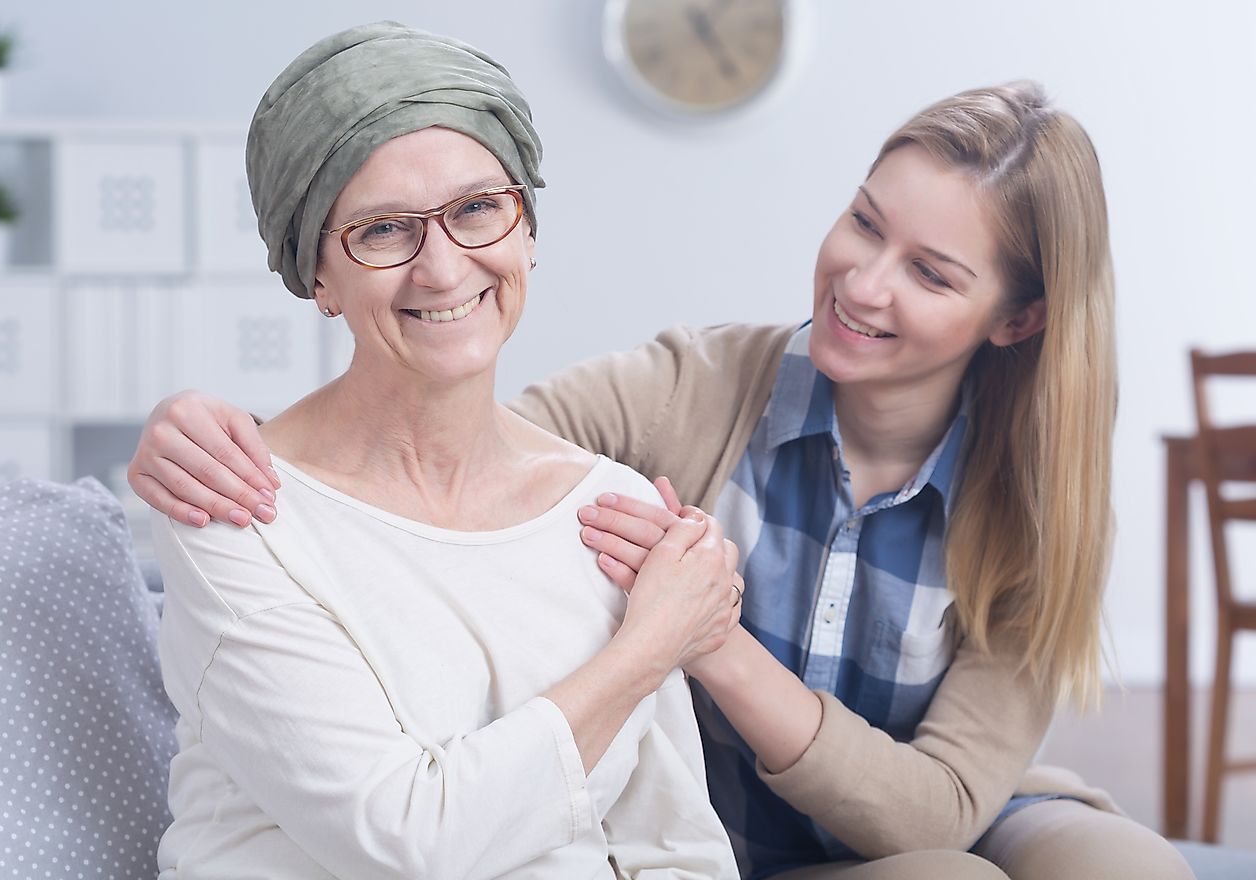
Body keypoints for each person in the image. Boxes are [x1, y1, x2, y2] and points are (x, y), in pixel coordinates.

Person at [132, 78, 1196, 879]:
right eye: (867, 221)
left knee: (1131, 869)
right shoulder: (691, 386)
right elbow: (444, 466)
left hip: (938, 812)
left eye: (931, 271)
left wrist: (710, 639)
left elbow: (936, 811)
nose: (864, 282)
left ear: (1016, 319)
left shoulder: (1037, 506)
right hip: (720, 823)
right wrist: (225, 436)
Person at [147, 21, 743, 880]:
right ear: (317, 275)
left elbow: (675, 845)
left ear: (527, 229)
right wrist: (651, 645)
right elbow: (407, 842)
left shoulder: (610, 511)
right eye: (384, 230)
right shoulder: (238, 512)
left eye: (475, 210)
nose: (442, 267)